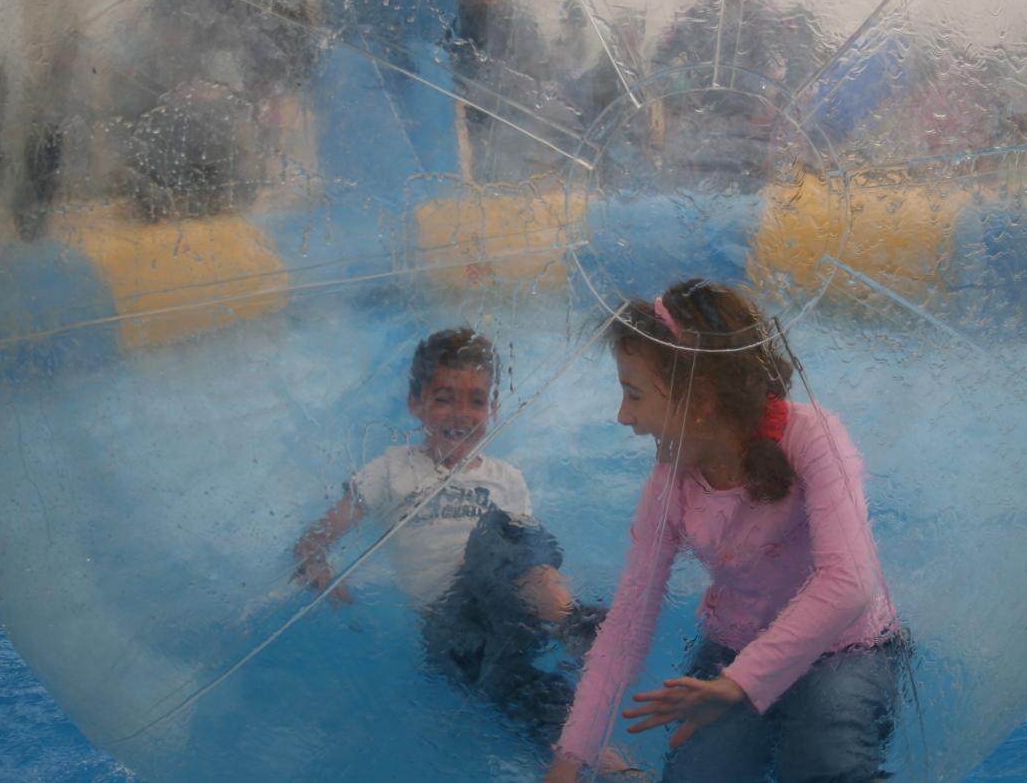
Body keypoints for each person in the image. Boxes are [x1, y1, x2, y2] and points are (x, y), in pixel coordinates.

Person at [547, 279, 903, 783]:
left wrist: (740, 683)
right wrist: (571, 757)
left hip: (846, 650)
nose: (624, 416)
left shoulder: (810, 438)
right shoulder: (671, 480)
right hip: (734, 647)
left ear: (702, 398)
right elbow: (627, 620)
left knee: (823, 762)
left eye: (634, 394)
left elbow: (850, 583)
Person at [292, 327, 599, 746]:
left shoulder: (506, 478)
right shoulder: (391, 469)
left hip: (513, 601)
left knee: (498, 533)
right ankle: (615, 767)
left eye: (476, 400)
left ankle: (583, 635)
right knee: (533, 705)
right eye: (444, 398)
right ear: (415, 405)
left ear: (492, 407)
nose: (460, 413)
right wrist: (318, 566)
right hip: (450, 626)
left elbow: (533, 564)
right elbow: (317, 536)